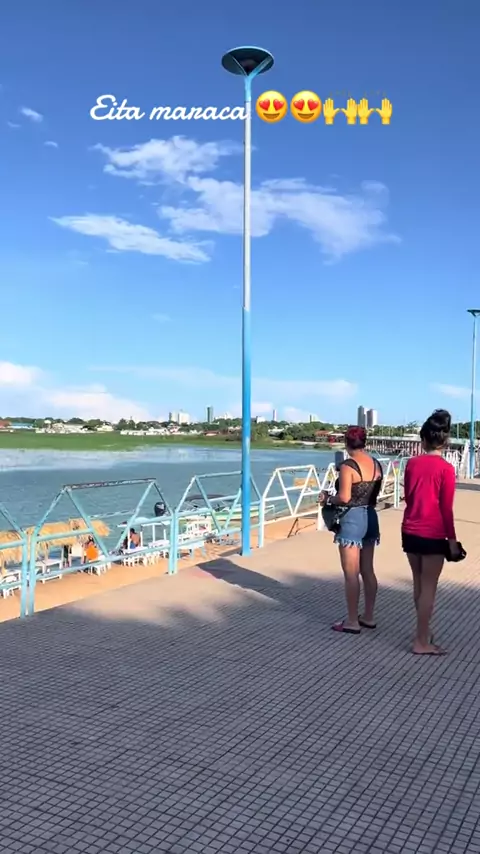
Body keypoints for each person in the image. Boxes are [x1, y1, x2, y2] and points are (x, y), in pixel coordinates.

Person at [402, 409, 459, 656]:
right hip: (433, 533)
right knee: (429, 589)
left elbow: (408, 497)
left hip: (410, 530)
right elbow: (446, 508)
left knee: (418, 585)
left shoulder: (412, 464)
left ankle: (424, 633)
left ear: (423, 439)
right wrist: (452, 540)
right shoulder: (446, 469)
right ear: (445, 441)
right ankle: (421, 640)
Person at [321, 426, 383, 634]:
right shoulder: (376, 464)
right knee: (368, 570)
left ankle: (351, 621)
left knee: (351, 574)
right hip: (371, 517)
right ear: (364, 442)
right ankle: (369, 616)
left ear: (346, 443)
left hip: (352, 520)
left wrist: (327, 498)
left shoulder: (348, 466)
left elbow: (345, 497)